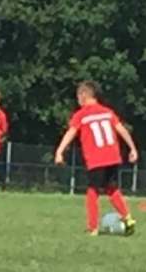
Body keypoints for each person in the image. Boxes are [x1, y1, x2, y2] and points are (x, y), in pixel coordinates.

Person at [54, 81, 139, 235]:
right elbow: (121, 129)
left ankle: (92, 227)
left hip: (96, 158)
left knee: (92, 190)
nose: (78, 101)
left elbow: (71, 132)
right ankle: (127, 217)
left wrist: (60, 151)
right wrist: (132, 148)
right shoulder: (107, 112)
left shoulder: (81, 115)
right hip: (113, 156)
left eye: (78, 97)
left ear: (83, 95)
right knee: (111, 187)